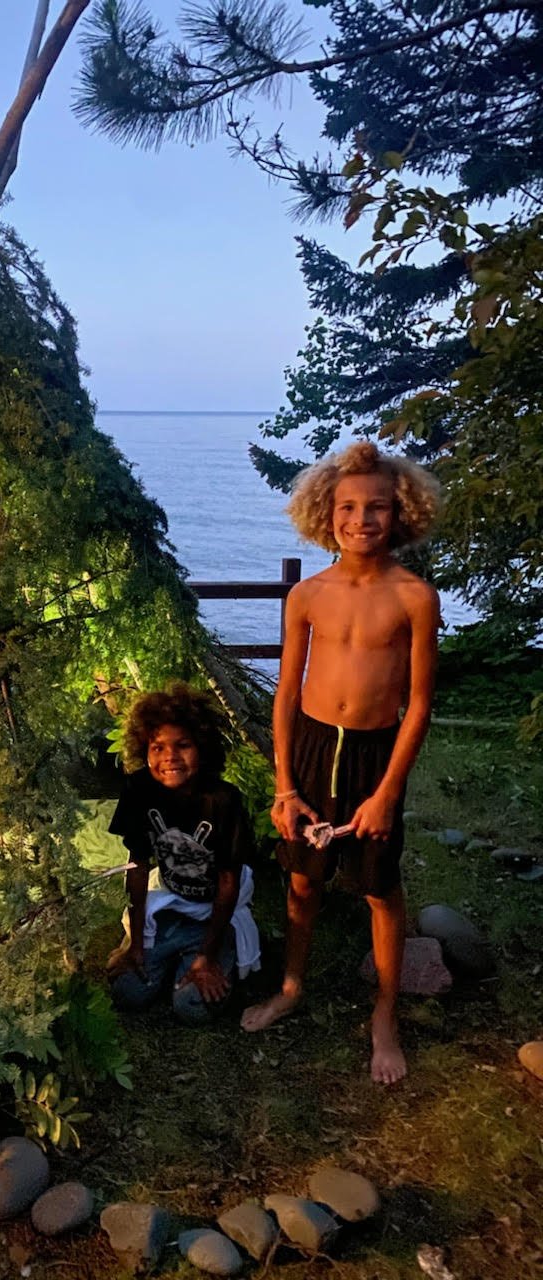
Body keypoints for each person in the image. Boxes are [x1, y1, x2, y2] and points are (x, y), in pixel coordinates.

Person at [240, 440, 443, 1084]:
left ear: (400, 512)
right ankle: (292, 985)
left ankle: (385, 1013)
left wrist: (386, 793)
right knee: (303, 879)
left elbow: (417, 706)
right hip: (312, 746)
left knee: (380, 889)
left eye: (378, 507)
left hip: (374, 754)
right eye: (349, 507)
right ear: (326, 513)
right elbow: (286, 694)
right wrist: (283, 784)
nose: (362, 520)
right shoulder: (307, 596)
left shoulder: (415, 597)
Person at [106, 682, 260, 1025]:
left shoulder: (223, 800)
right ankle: (170, 954)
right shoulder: (138, 789)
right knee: (127, 991)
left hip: (215, 907)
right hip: (172, 898)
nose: (169, 757)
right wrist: (136, 945)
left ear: (203, 748)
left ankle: (209, 953)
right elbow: (137, 864)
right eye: (157, 747)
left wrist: (207, 956)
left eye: (183, 745)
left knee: (190, 1006)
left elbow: (227, 881)